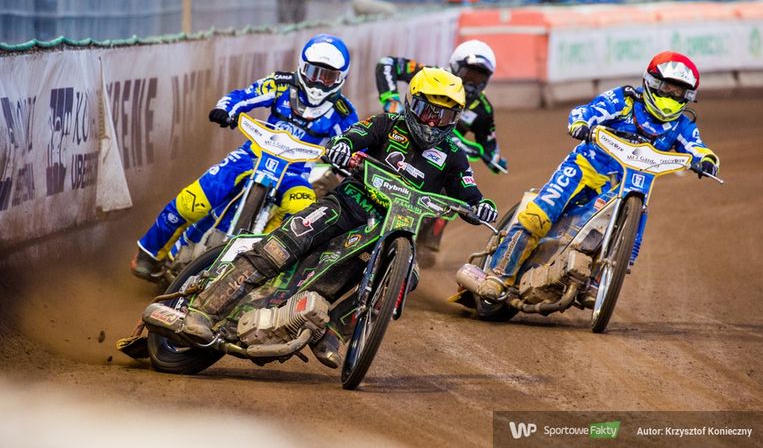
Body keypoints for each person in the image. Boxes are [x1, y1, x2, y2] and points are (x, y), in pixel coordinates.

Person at [180, 67, 498, 368]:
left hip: (391, 231)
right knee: (281, 247)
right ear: (411, 103)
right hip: (347, 204)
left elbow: (468, 191)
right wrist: (343, 146)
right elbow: (353, 136)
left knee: (406, 274)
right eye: (428, 111)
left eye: (444, 116)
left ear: (456, 118)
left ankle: (332, 332)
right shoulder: (386, 124)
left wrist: (480, 205)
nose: (433, 123)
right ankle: (203, 311)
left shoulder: (454, 155)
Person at [475, 51, 720, 301]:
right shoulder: (625, 99)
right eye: (668, 87)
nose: (671, 95)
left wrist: (707, 161)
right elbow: (588, 111)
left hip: (624, 185)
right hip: (586, 166)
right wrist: (580, 123)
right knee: (541, 214)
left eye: (679, 92)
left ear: (688, 96)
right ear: (653, 83)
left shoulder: (682, 125)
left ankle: (594, 281)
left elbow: (697, 147)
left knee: (620, 237)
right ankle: (498, 275)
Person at [130, 34, 358, 282]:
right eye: (314, 73)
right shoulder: (280, 84)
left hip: (295, 173)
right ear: (302, 67)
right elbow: (242, 96)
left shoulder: (344, 113)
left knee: (302, 216)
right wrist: (226, 109)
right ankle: (149, 254)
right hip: (251, 156)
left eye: (328, 76)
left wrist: (348, 158)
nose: (319, 82)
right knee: (194, 200)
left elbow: (354, 143)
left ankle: (266, 271)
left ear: (340, 78)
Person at [376, 40, 505, 258]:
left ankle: (425, 242)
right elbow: (387, 64)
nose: (472, 84)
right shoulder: (430, 76)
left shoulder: (483, 109)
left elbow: (489, 144)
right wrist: (390, 99)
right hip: (401, 138)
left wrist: (494, 158)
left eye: (479, 79)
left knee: (453, 184)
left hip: (438, 155)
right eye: (468, 75)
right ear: (454, 66)